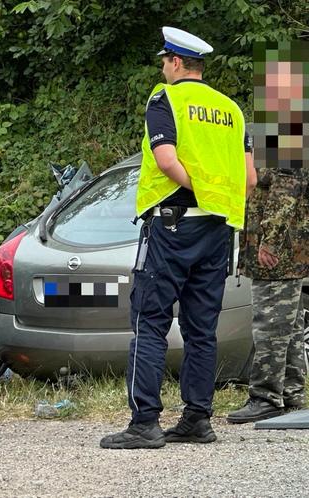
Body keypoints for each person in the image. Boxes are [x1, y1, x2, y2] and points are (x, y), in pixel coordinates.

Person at [100, 26, 257, 449]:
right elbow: (250, 179)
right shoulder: (231, 110)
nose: (163, 68)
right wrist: (214, 200)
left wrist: (194, 193)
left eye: (163, 62)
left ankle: (144, 423)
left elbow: (166, 160)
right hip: (217, 228)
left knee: (149, 322)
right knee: (202, 327)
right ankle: (197, 419)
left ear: (174, 62)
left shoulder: (164, 99)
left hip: (171, 225)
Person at [227, 54, 308, 424]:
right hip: (289, 248)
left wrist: (269, 242)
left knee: (271, 325)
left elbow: (285, 193)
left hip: (281, 249)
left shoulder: (288, 127)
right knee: (288, 326)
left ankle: (265, 397)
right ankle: (291, 392)